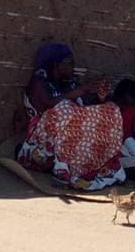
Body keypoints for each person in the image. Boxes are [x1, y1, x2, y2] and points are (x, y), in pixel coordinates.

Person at [17, 44, 125, 191]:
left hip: (70, 140)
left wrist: (100, 97)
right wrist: (80, 91)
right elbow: (48, 106)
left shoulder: (70, 83)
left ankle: (88, 166)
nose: (73, 66)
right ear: (56, 65)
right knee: (65, 110)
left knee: (111, 110)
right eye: (69, 63)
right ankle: (61, 171)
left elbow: (84, 107)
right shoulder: (39, 83)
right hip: (41, 141)